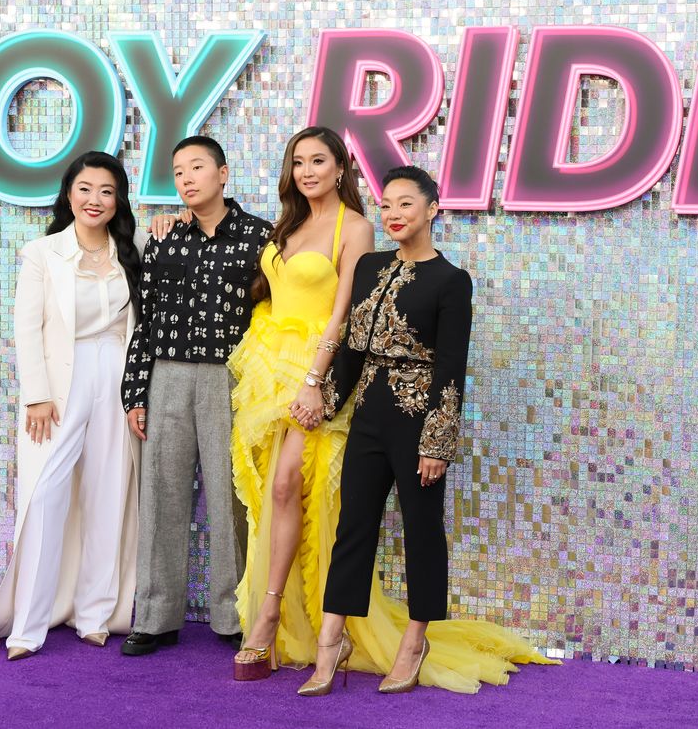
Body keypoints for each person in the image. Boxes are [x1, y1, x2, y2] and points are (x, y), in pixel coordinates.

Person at [298, 166, 558, 695]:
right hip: (368, 414)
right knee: (354, 529)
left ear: (432, 209)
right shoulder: (369, 266)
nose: (393, 215)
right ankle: (332, 641)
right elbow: (352, 348)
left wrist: (437, 441)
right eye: (386, 205)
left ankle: (415, 641)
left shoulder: (451, 281)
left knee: (420, 531)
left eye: (405, 205)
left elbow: (451, 367)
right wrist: (324, 403)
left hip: (418, 420)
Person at [0, 151, 146, 659]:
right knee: (46, 498)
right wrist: (35, 395)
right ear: (68, 194)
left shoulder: (134, 247)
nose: (94, 199)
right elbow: (25, 327)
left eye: (106, 191)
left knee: (108, 491)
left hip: (115, 375)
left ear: (118, 200)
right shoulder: (43, 252)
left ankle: (96, 614)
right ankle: (27, 627)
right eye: (85, 189)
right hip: (58, 383)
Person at [228, 125, 374, 679]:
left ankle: (269, 619)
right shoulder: (285, 225)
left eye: (318, 160)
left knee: (292, 484)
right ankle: (274, 613)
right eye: (298, 162)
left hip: (319, 369)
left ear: (341, 168)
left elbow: (343, 312)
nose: (307, 171)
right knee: (273, 492)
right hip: (268, 368)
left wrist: (316, 381)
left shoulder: (355, 227)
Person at [119, 136, 272, 655]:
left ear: (223, 174)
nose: (186, 178)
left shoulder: (260, 237)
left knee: (231, 497)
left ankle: (233, 617)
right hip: (167, 374)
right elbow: (147, 319)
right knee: (161, 492)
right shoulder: (162, 237)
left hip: (227, 378)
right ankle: (157, 615)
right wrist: (136, 390)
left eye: (198, 167)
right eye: (178, 170)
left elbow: (272, 320)